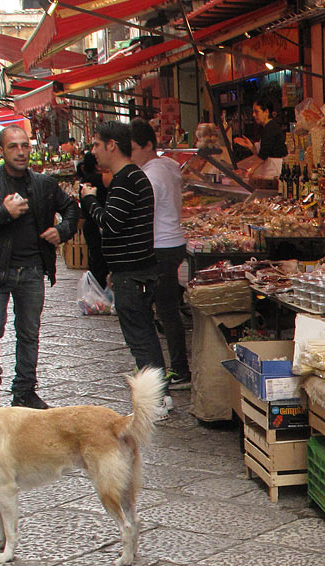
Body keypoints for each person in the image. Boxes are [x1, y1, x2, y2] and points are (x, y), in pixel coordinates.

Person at [0, 125, 80, 407]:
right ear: (1, 151)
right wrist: (3, 213)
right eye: (13, 146)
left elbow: (72, 209)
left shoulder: (43, 184)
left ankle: (24, 392)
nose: (21, 152)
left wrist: (63, 231)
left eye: (25, 145)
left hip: (32, 270)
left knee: (29, 333)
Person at [79, 121, 172, 420]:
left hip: (134, 274)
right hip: (133, 270)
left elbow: (111, 223)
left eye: (96, 144)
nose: (93, 151)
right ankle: (160, 396)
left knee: (140, 339)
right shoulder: (133, 178)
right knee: (143, 335)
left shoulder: (127, 180)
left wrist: (89, 200)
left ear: (111, 146)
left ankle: (156, 400)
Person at [130, 118, 190, 389]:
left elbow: (143, 214)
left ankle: (179, 370)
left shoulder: (152, 175)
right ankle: (174, 367)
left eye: (132, 148)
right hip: (172, 242)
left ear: (148, 145)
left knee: (166, 310)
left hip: (161, 245)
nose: (130, 155)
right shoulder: (166, 166)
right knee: (168, 309)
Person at [75, 150, 110, 288]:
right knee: (100, 259)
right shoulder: (98, 180)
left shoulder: (85, 180)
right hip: (98, 225)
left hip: (91, 225)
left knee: (95, 258)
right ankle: (100, 289)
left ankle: (97, 288)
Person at [233, 90, 287, 179]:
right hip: (270, 171)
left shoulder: (271, 129)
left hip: (274, 172)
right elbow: (263, 152)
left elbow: (263, 156)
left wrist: (251, 170)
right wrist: (250, 146)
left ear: (266, 112)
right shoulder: (267, 128)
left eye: (256, 112)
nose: (254, 115)